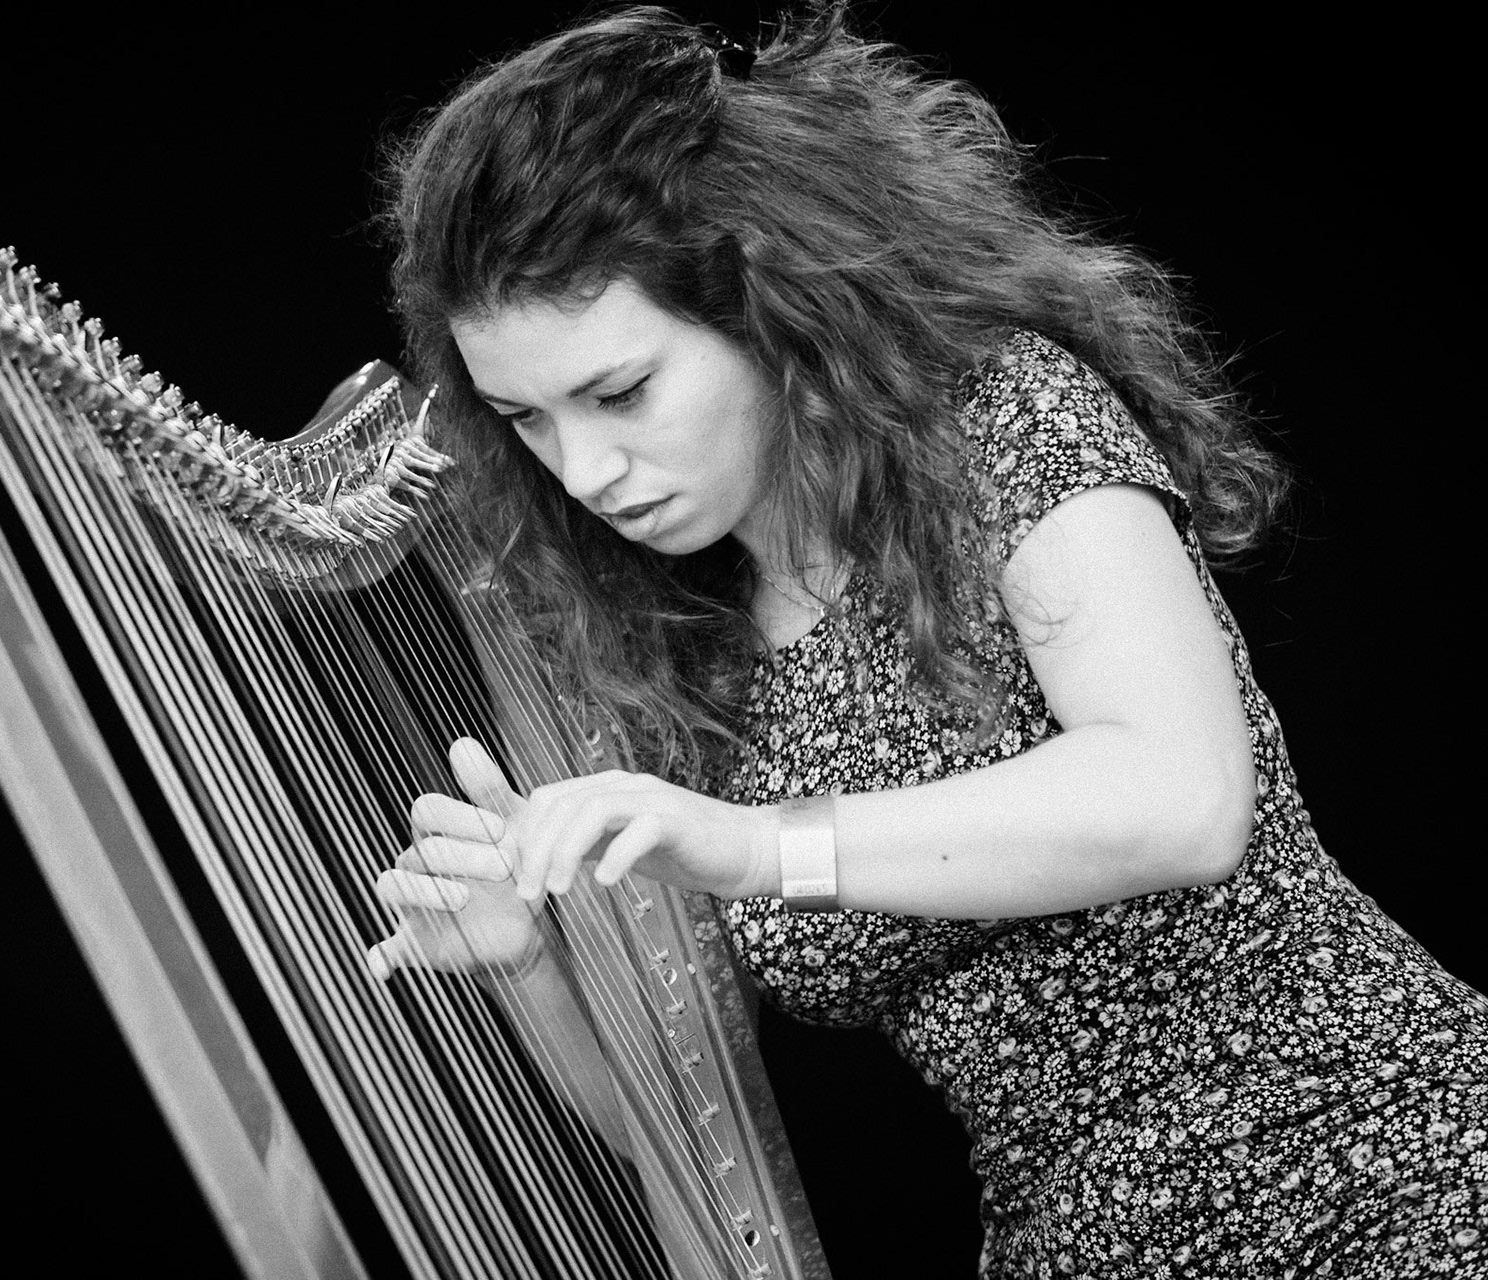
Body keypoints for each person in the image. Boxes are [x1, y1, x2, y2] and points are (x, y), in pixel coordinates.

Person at [361, 6, 1487, 1275]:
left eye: (619, 393)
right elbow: (699, 1153)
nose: (586, 469)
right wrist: (527, 966)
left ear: (764, 298)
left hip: (1377, 1172)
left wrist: (750, 846)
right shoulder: (669, 647)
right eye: (526, 419)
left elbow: (1184, 797)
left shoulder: (997, 423)